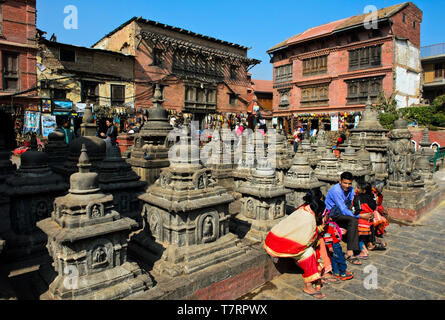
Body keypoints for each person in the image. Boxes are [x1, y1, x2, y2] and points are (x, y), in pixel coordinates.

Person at [264, 189, 329, 299]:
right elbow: (308, 240)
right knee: (308, 254)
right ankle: (308, 286)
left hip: (272, 238)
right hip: (278, 245)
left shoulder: (304, 208)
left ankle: (316, 274)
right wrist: (322, 226)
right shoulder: (310, 219)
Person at [325, 172, 371, 265]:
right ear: (340, 182)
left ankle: (370, 243)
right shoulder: (336, 191)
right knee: (353, 220)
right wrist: (361, 216)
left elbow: (353, 201)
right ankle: (350, 252)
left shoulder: (350, 190)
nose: (347, 186)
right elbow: (343, 209)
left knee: (366, 216)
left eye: (349, 183)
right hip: (333, 214)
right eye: (345, 183)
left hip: (342, 212)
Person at [322, 214, 354, 281]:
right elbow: (327, 236)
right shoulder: (329, 226)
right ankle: (343, 273)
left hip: (334, 245)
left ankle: (336, 273)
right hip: (335, 245)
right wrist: (330, 246)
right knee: (340, 259)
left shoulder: (331, 224)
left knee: (334, 259)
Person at [353, 179, 376, 259]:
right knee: (366, 236)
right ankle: (369, 245)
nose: (356, 189)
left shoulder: (357, 198)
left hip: (362, 222)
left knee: (359, 238)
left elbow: (357, 210)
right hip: (370, 221)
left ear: (363, 190)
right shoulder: (372, 196)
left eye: (358, 188)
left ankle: (363, 251)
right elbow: (374, 207)